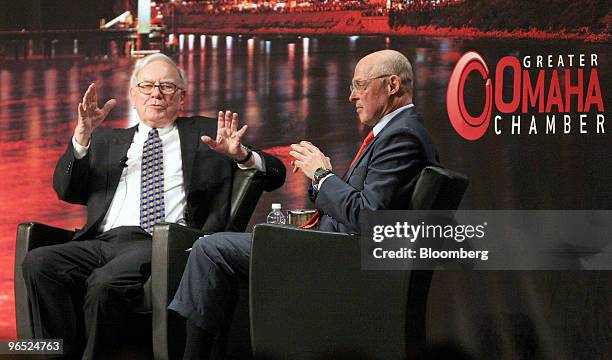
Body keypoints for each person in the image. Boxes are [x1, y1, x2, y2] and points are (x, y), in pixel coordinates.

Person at [168, 49, 438, 359]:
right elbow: (362, 204)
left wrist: (323, 175)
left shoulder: (401, 136)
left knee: (210, 250)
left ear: (392, 85)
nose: (351, 96)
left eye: (359, 85)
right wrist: (322, 179)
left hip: (336, 258)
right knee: (219, 254)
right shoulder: (396, 132)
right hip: (333, 247)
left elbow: (368, 217)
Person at [21, 53, 286, 359]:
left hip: (160, 240)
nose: (156, 93)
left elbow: (275, 174)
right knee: (39, 262)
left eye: (167, 87)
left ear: (182, 97)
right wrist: (81, 138)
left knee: (103, 284)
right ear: (133, 95)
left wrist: (241, 156)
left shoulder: (209, 133)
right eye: (146, 86)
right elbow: (65, 190)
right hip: (102, 240)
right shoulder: (107, 141)